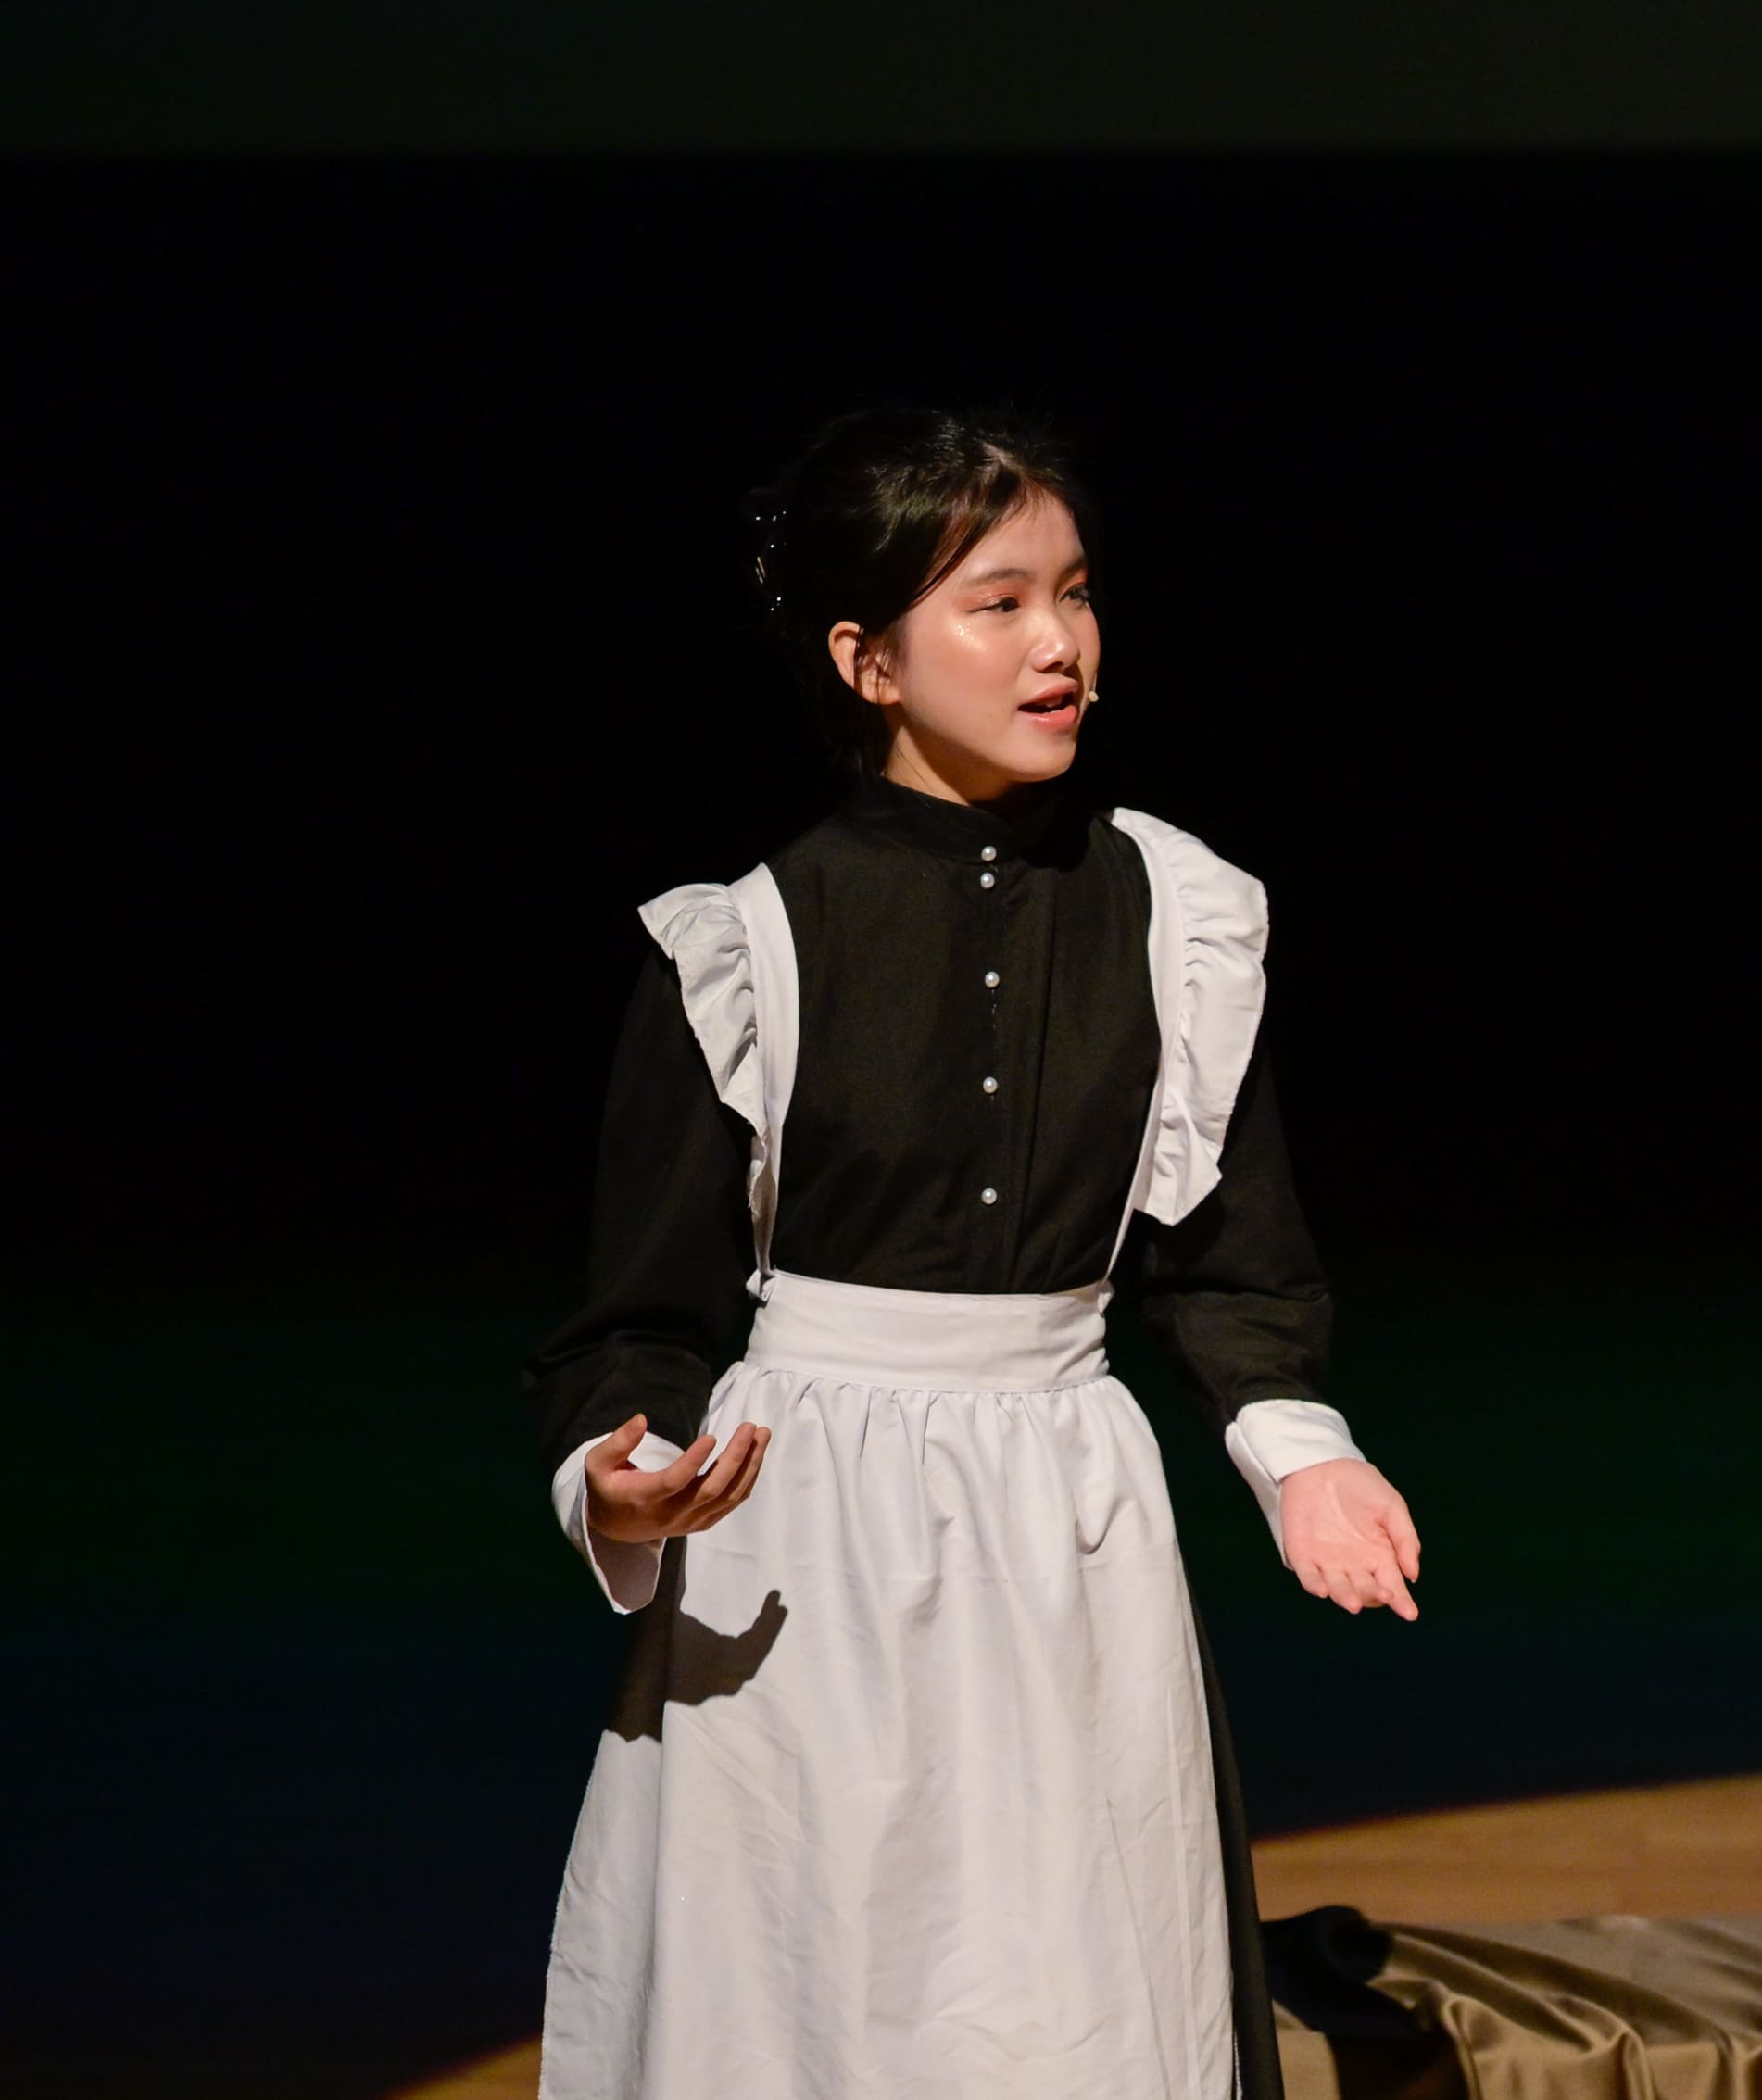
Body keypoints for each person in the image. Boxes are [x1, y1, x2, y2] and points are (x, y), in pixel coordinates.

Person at [523, 408, 1422, 2099]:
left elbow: (1226, 1260)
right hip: (808, 1534)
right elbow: (639, 1317)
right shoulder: (745, 944)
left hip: (1066, 1512)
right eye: (997, 603)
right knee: (817, 1998)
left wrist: (1302, 1453)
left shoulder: (1175, 911)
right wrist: (617, 1482)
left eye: (1073, 593)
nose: (1059, 643)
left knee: (1080, 1987)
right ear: (867, 660)